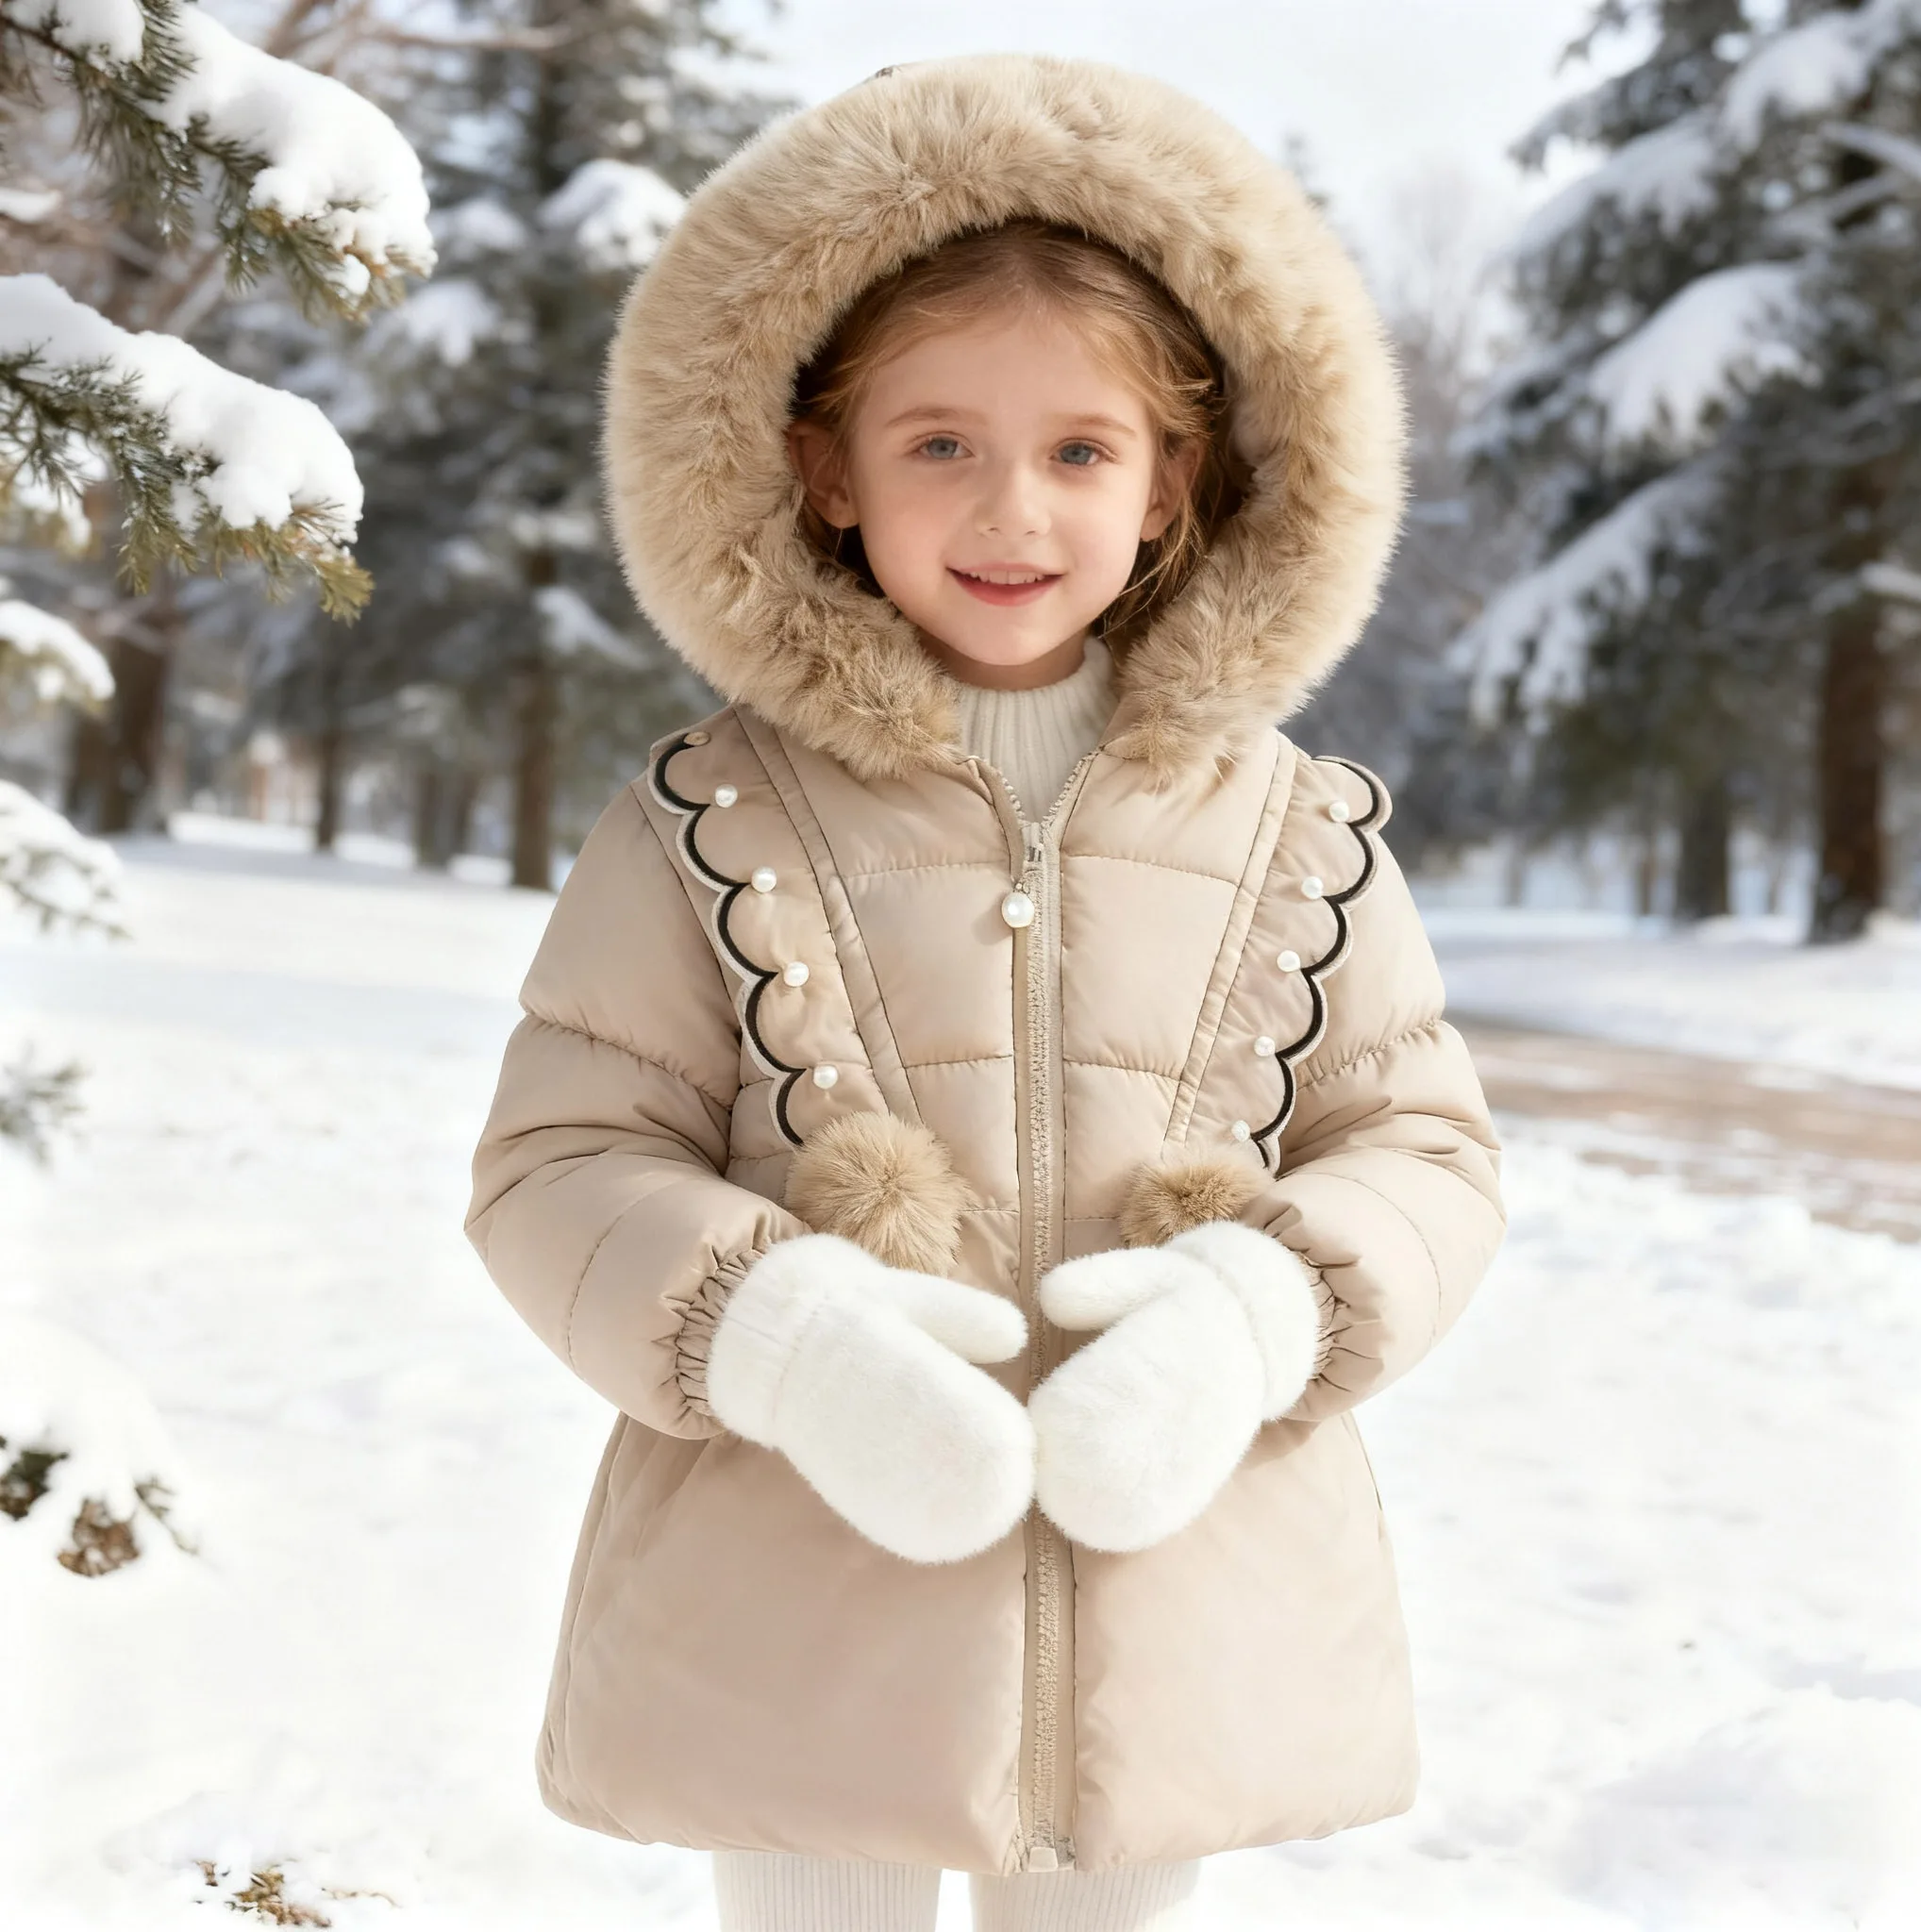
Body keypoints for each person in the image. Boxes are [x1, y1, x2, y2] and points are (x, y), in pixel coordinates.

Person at [465, 52, 1505, 1932]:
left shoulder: (1300, 830)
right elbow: (561, 1159)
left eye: (1079, 449)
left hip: (1167, 1590)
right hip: (800, 1584)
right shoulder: (711, 813)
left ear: (1173, 477)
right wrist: (777, 1335)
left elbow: (1419, 1147)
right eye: (937, 439)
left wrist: (1256, 1314)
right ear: (820, 466)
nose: (1009, 504)